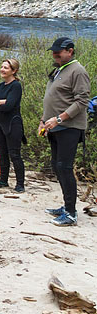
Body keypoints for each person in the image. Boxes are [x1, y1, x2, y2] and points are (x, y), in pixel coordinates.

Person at [40, 37, 90, 227]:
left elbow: (81, 101)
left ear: (70, 51)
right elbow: (52, 98)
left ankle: (70, 213)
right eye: (53, 51)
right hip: (53, 126)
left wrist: (60, 118)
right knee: (56, 166)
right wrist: (43, 121)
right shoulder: (60, 69)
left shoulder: (78, 71)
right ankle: (66, 205)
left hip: (69, 127)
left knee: (65, 167)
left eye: (58, 52)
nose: (54, 54)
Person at [0, 59, 25, 193]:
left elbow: (9, 106)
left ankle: (20, 184)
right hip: (0, 124)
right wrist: (0, 102)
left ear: (14, 71)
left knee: (14, 154)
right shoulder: (1, 85)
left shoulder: (16, 86)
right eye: (2, 67)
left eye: (6, 68)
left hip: (13, 124)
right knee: (2, 153)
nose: (2, 69)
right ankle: (3, 181)